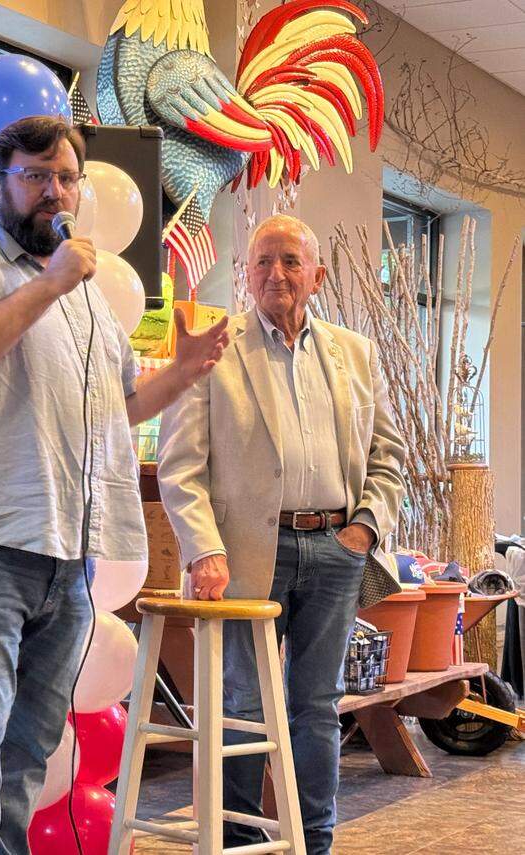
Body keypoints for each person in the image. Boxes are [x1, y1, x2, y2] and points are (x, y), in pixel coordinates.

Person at [0, 115, 229, 854]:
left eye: (67, 177)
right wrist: (48, 284)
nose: (56, 192)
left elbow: (119, 407)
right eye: (36, 176)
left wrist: (184, 370)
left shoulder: (84, 296)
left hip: (66, 555)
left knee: (25, 758)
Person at [157, 214, 406, 854]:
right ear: (245, 272)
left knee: (317, 709)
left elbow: (389, 453)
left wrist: (365, 528)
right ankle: (240, 839)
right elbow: (181, 466)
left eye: (291, 261)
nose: (276, 274)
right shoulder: (214, 347)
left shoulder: (355, 353)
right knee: (240, 702)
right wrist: (203, 547)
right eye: (263, 261)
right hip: (244, 555)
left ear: (316, 275)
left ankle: (313, 841)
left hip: (334, 550)